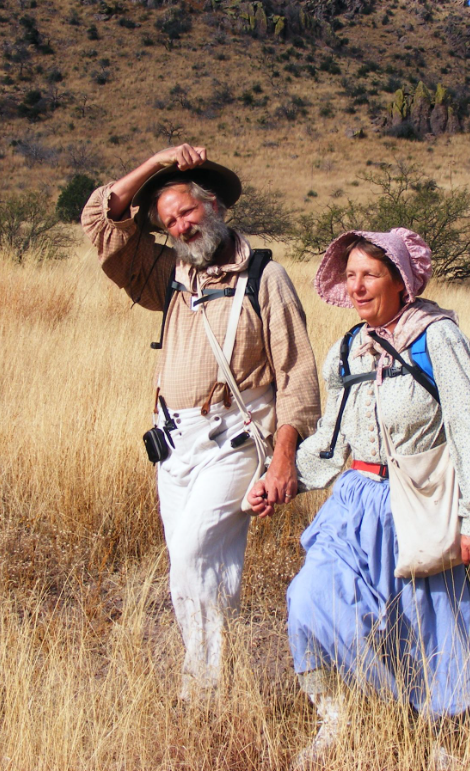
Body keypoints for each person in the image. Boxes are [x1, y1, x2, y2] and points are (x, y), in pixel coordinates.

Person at [248, 228, 470, 766]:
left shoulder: (437, 339)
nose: (358, 286)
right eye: (350, 276)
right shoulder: (347, 348)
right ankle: (338, 715)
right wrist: (286, 479)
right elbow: (331, 437)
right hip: (354, 504)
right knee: (309, 599)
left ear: (401, 280)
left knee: (434, 623)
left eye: (370, 274)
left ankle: (446, 739)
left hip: (422, 502)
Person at [81, 143, 320, 700]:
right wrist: (159, 160)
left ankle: (205, 692)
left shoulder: (266, 276)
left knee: (193, 552)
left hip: (237, 444)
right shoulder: (168, 274)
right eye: (168, 223)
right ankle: (210, 682)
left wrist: (284, 459)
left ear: (214, 206)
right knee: (190, 567)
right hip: (173, 446)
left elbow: (298, 375)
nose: (181, 227)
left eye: (186, 212)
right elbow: (102, 220)